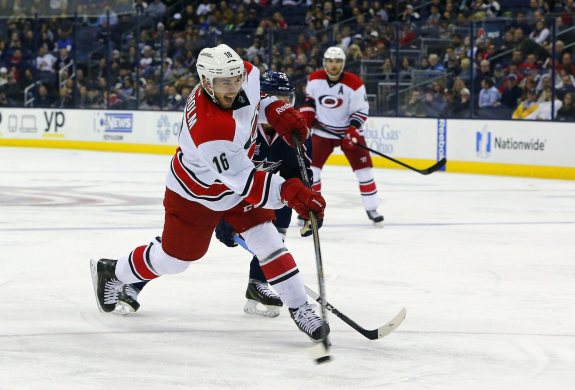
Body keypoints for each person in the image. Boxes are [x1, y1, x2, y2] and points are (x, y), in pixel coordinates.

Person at [90, 44, 330, 342]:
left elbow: (259, 98)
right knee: (176, 260)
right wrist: (294, 194)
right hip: (195, 193)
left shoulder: (247, 75)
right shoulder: (210, 129)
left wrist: (276, 110)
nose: (233, 87)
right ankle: (115, 271)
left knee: (268, 240)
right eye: (224, 83)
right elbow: (250, 184)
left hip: (236, 184)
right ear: (206, 82)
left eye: (235, 79)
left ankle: (300, 308)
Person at [215, 70, 319, 317]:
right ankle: (131, 281)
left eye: (285, 99)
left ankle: (257, 283)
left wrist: (309, 206)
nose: (280, 105)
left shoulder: (297, 133)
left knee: (277, 235)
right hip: (223, 194)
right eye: (273, 97)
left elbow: (299, 174)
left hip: (267, 193)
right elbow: (216, 174)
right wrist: (223, 215)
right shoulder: (238, 127)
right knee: (182, 246)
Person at [300, 46, 383, 226]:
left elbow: (361, 111)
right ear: (325, 63)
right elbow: (309, 101)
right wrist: (307, 114)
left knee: (364, 171)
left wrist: (352, 129)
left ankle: (372, 208)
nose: (334, 65)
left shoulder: (354, 83)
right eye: (330, 61)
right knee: (311, 172)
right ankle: (312, 209)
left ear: (343, 63)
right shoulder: (314, 79)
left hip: (348, 133)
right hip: (323, 131)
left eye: (337, 61)